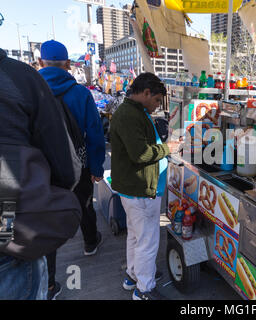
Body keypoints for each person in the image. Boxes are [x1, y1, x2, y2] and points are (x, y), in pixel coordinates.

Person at [0, 48, 81, 299]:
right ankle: (51, 284)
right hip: (12, 230)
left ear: (40, 61)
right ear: (67, 63)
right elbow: (65, 167)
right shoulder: (21, 79)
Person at [38, 40, 106, 299]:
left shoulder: (32, 90)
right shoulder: (80, 93)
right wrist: (96, 167)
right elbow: (95, 134)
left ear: (42, 63)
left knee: (48, 219)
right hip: (80, 164)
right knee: (84, 204)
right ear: (67, 64)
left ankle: (50, 284)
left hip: (43, 169)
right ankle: (90, 242)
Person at [110, 73, 181, 300]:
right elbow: (141, 154)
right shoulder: (130, 115)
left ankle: (134, 275)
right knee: (148, 241)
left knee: (136, 237)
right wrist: (168, 148)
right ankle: (145, 289)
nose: (157, 106)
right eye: (158, 100)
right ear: (146, 93)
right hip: (140, 189)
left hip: (134, 189)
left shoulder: (133, 111)